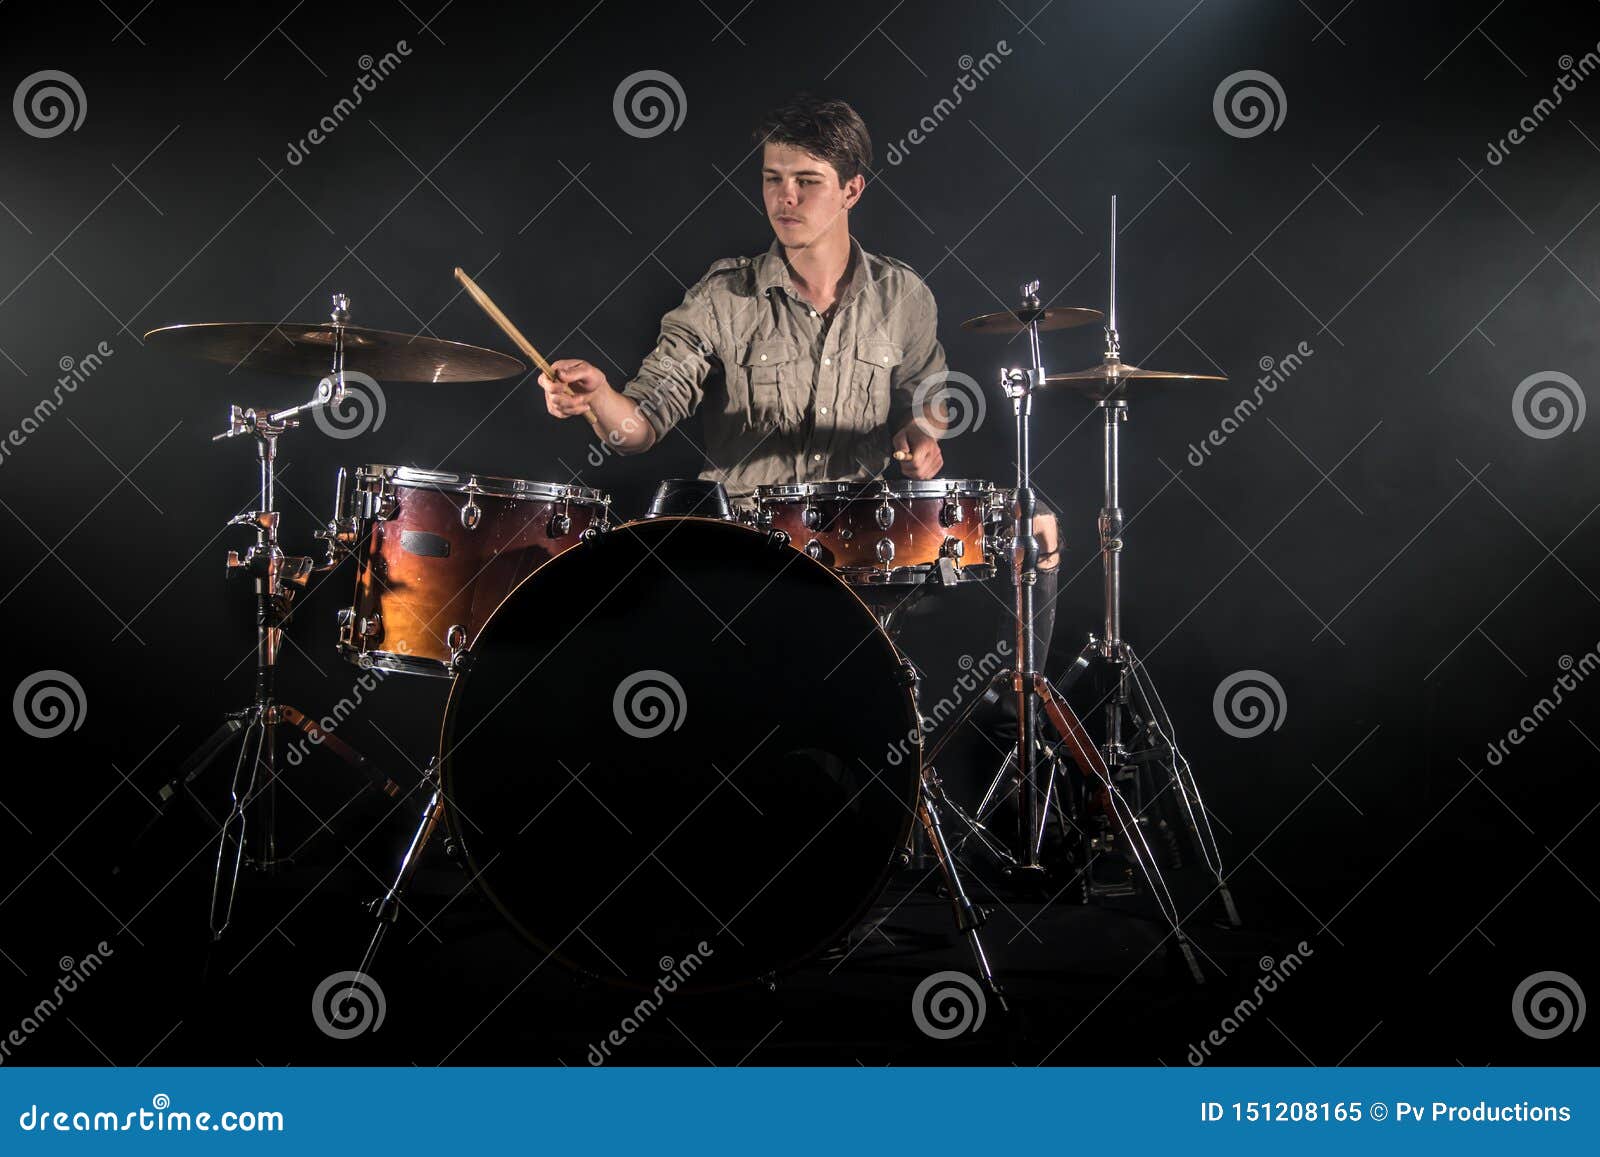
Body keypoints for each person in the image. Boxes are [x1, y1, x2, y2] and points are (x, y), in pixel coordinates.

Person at [535, 92, 1060, 665]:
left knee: (1026, 542)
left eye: (806, 181)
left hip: (858, 559)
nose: (784, 197)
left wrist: (922, 434)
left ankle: (999, 707)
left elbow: (928, 398)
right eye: (773, 179)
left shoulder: (903, 296)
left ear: (851, 190)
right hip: (740, 558)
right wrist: (599, 398)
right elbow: (640, 425)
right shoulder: (721, 297)